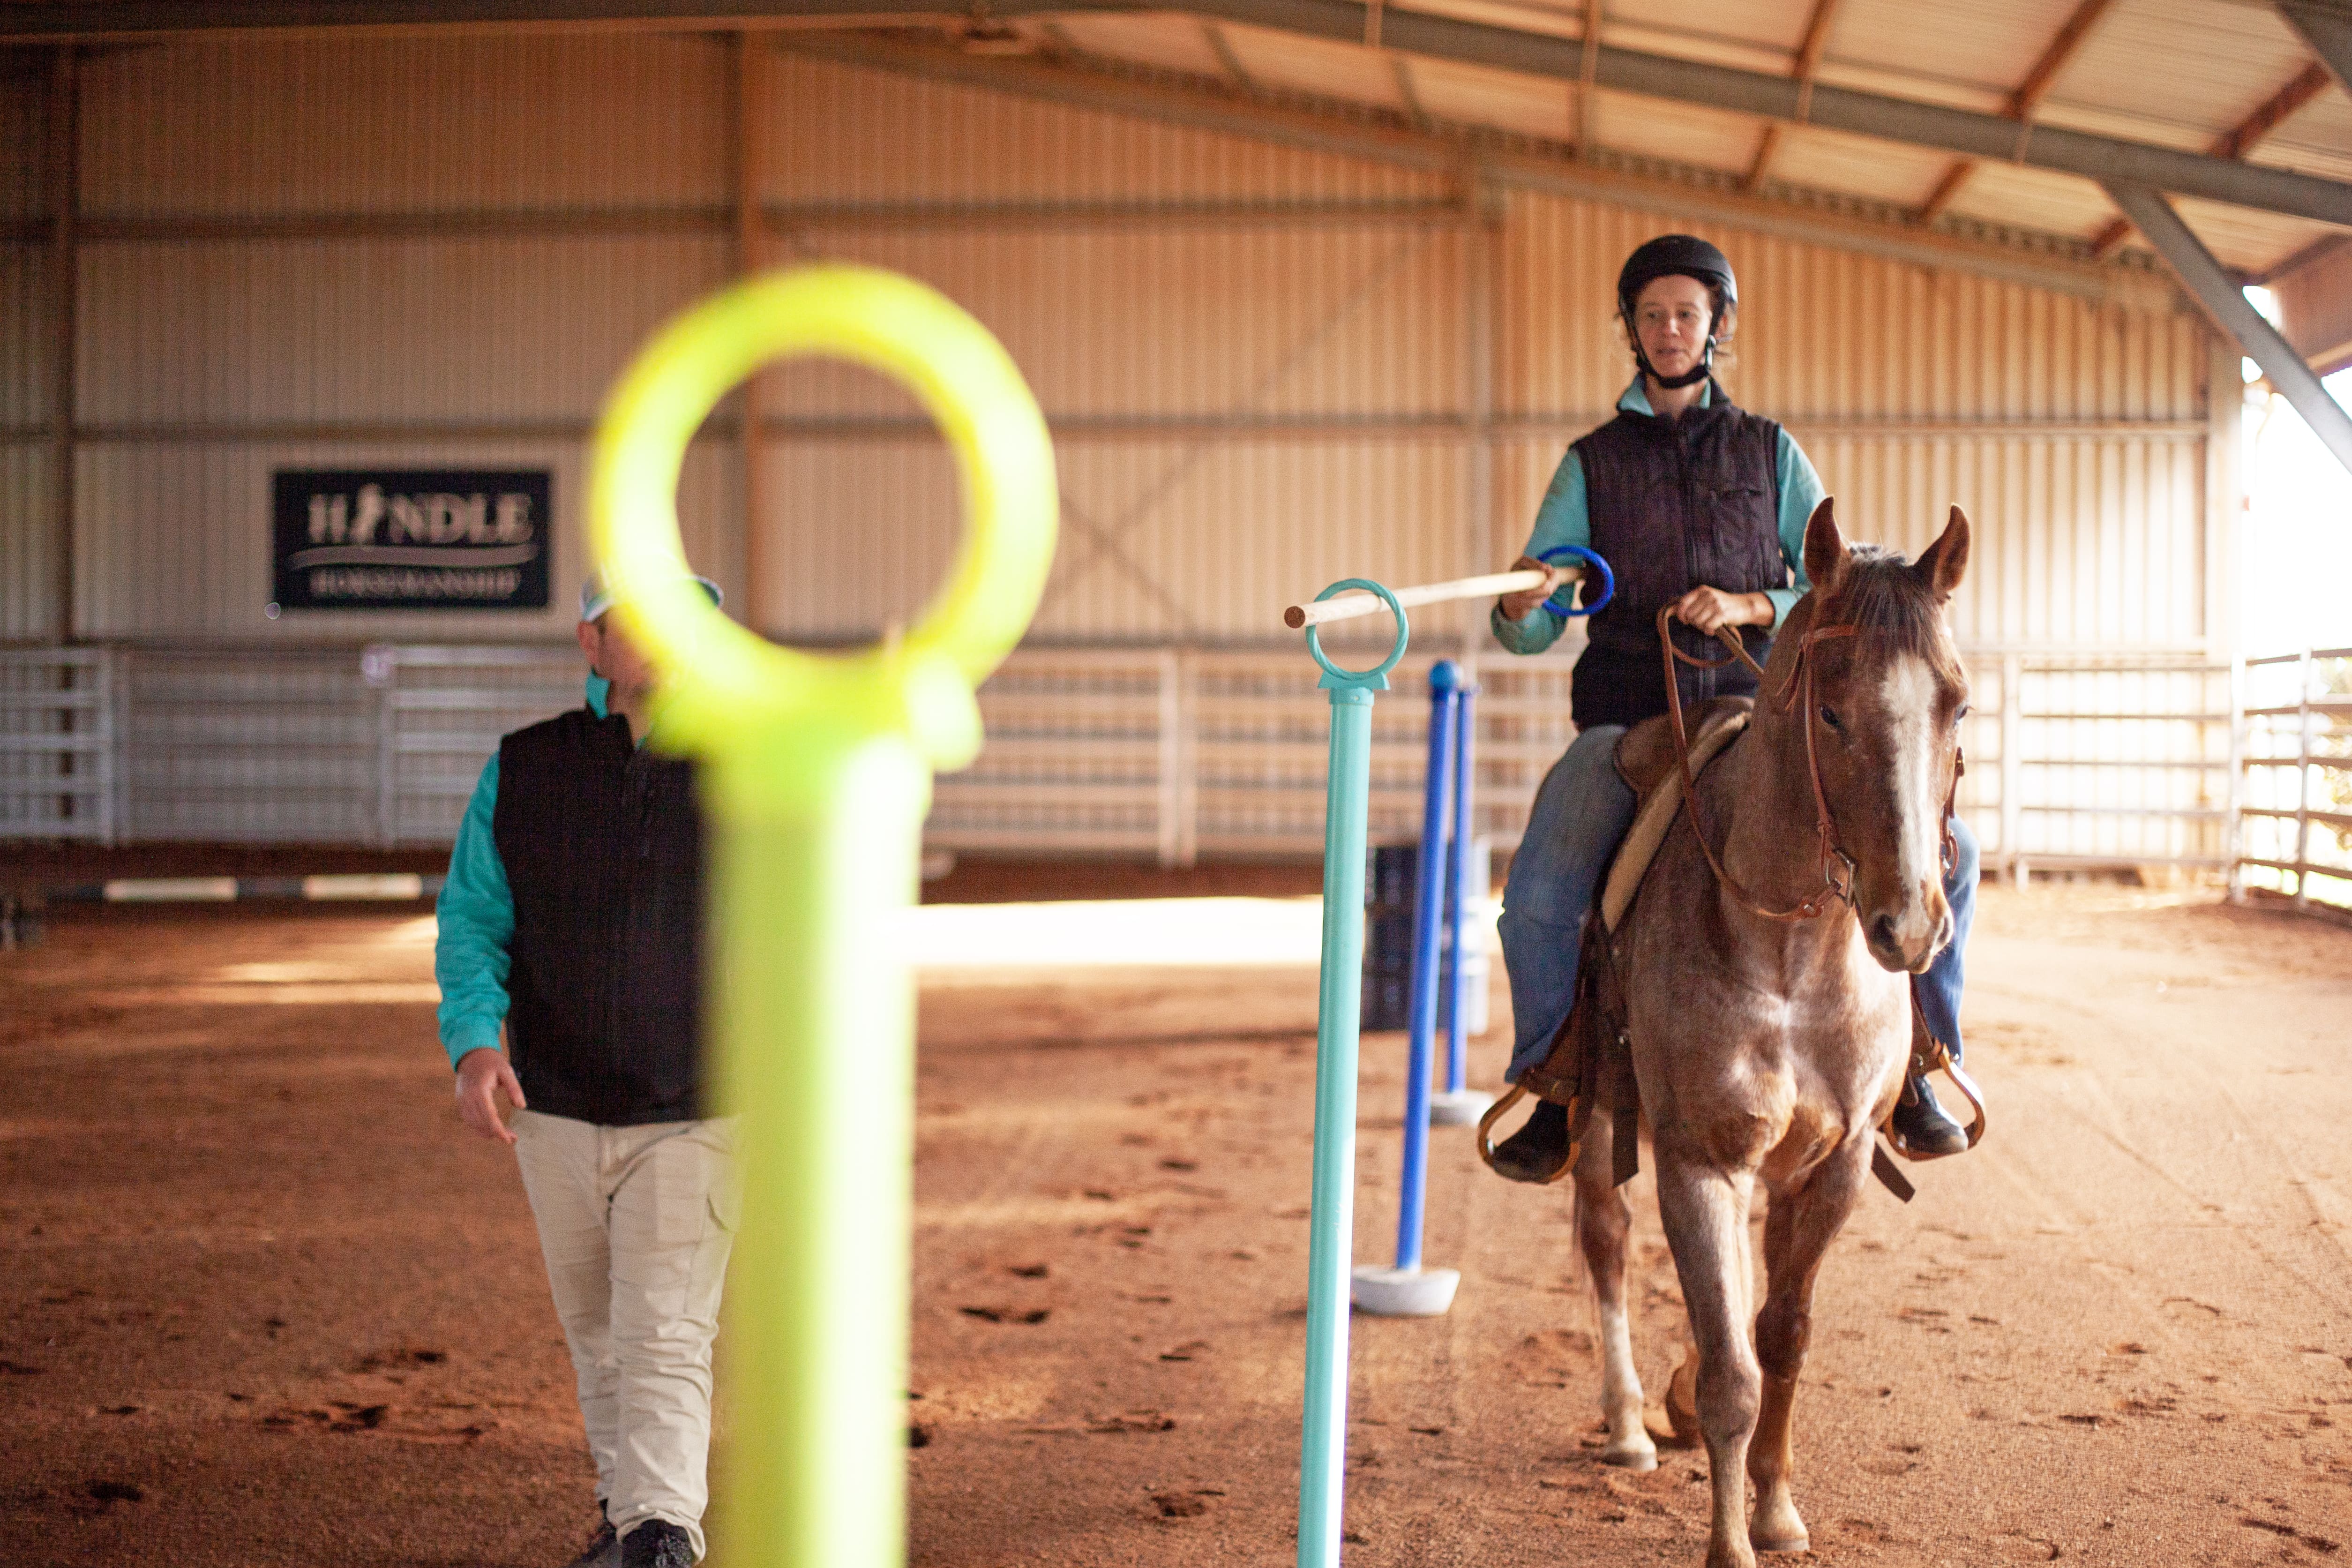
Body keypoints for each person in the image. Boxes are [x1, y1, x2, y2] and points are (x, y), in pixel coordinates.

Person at [1488, 234, 1978, 1178]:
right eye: (1651, 314)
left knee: (1955, 858)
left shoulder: (1769, 449)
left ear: (1715, 327)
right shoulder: (1590, 463)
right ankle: (1551, 1082)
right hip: (1630, 718)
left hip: (1769, 712)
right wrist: (1521, 599)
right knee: (1543, 889)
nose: (1669, 329)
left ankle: (1920, 1063)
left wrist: (1753, 603)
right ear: (1630, 330)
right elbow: (1535, 613)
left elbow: (1836, 583)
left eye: (1686, 312)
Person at [434, 570, 736, 1568]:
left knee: (664, 1327)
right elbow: (475, 918)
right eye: (634, 619)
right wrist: (477, 1041)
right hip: (552, 1101)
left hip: (695, 1103)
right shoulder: (524, 768)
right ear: (590, 641)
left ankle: (662, 1534)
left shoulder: (751, 765)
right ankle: (628, 1516)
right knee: (598, 1328)